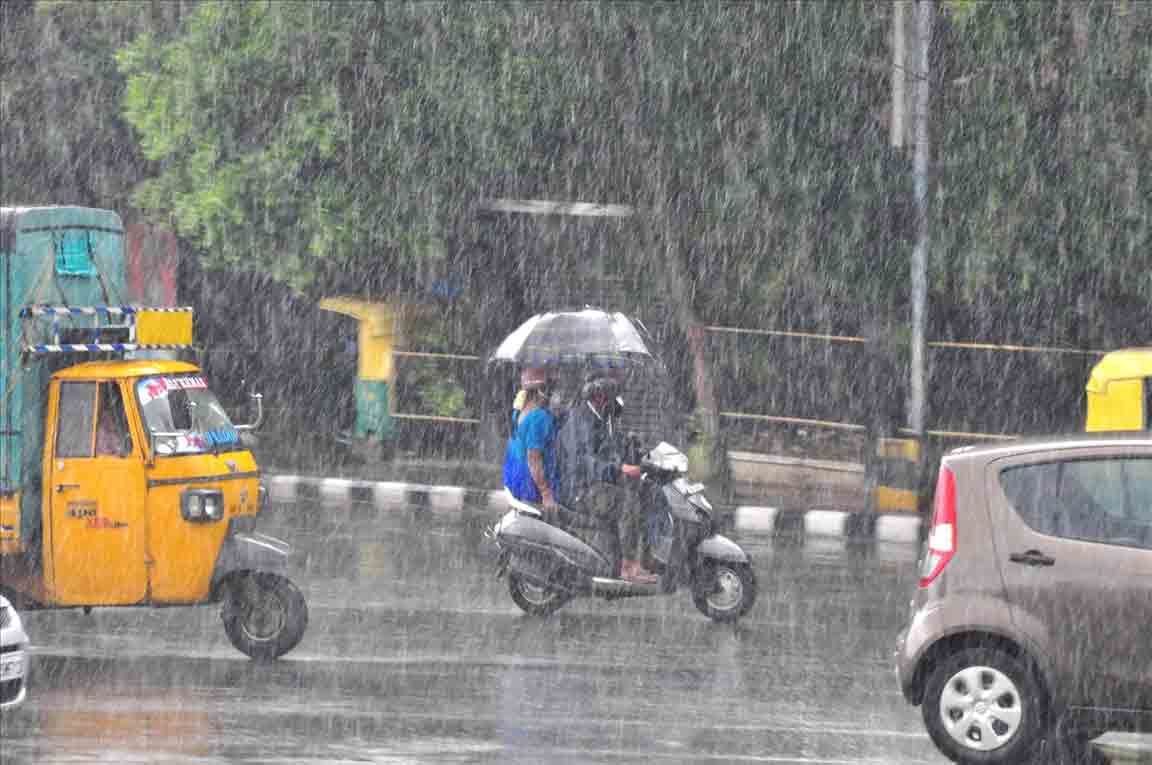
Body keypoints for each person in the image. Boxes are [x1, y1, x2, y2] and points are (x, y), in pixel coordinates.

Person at [554, 371, 657, 583]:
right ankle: (628, 567)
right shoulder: (580, 421)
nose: (616, 401)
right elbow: (585, 462)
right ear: (599, 397)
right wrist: (619, 469)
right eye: (612, 396)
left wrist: (634, 448)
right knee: (628, 503)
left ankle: (644, 560)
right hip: (580, 490)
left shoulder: (602, 418)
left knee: (649, 492)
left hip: (598, 485)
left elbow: (612, 447)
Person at [502, 367, 560, 510]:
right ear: (542, 391)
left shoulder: (519, 411)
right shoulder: (540, 417)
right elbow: (533, 458)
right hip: (530, 485)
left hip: (514, 477)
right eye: (550, 388)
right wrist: (546, 493)